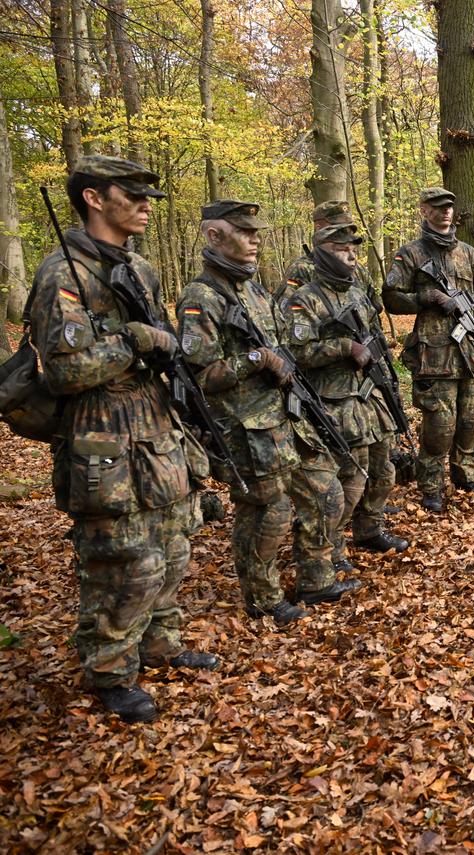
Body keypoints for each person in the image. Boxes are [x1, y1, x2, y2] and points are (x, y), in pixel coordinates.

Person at [29, 155, 215, 723]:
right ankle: (110, 670)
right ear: (92, 197)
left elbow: (163, 346)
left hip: (154, 425)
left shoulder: (141, 268)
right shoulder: (64, 274)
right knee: (121, 556)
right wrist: (133, 340)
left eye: (146, 199)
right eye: (130, 196)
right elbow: (64, 372)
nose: (142, 207)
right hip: (101, 436)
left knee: (175, 543)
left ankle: (161, 643)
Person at [177, 200, 357, 625]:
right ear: (214, 236)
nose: (256, 239)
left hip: (285, 420)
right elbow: (198, 376)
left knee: (326, 490)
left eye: (258, 232)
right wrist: (255, 360)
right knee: (266, 513)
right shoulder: (201, 297)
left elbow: (285, 349)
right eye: (245, 232)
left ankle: (316, 578)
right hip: (247, 430)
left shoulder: (256, 290)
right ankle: (263, 599)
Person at [287, 224, 409, 564]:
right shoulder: (304, 300)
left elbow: (372, 339)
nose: (352, 254)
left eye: (355, 248)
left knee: (384, 469)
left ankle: (370, 529)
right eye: (343, 249)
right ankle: (333, 547)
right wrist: (343, 347)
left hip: (369, 395)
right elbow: (296, 353)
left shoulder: (356, 294)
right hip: (334, 401)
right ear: (324, 250)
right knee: (350, 477)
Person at [382, 187, 474, 510]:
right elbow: (389, 296)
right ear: (424, 211)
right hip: (434, 356)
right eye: (437, 207)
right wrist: (426, 298)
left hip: (470, 352)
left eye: (449, 206)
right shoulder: (411, 254)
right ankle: (430, 484)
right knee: (439, 426)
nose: (445, 212)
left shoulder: (468, 254)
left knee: (472, 420)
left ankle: (465, 475)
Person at [276, 200, 381, 312]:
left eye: (348, 230)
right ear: (318, 228)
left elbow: (373, 311)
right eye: (337, 229)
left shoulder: (359, 270)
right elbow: (284, 315)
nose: (344, 235)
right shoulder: (301, 269)